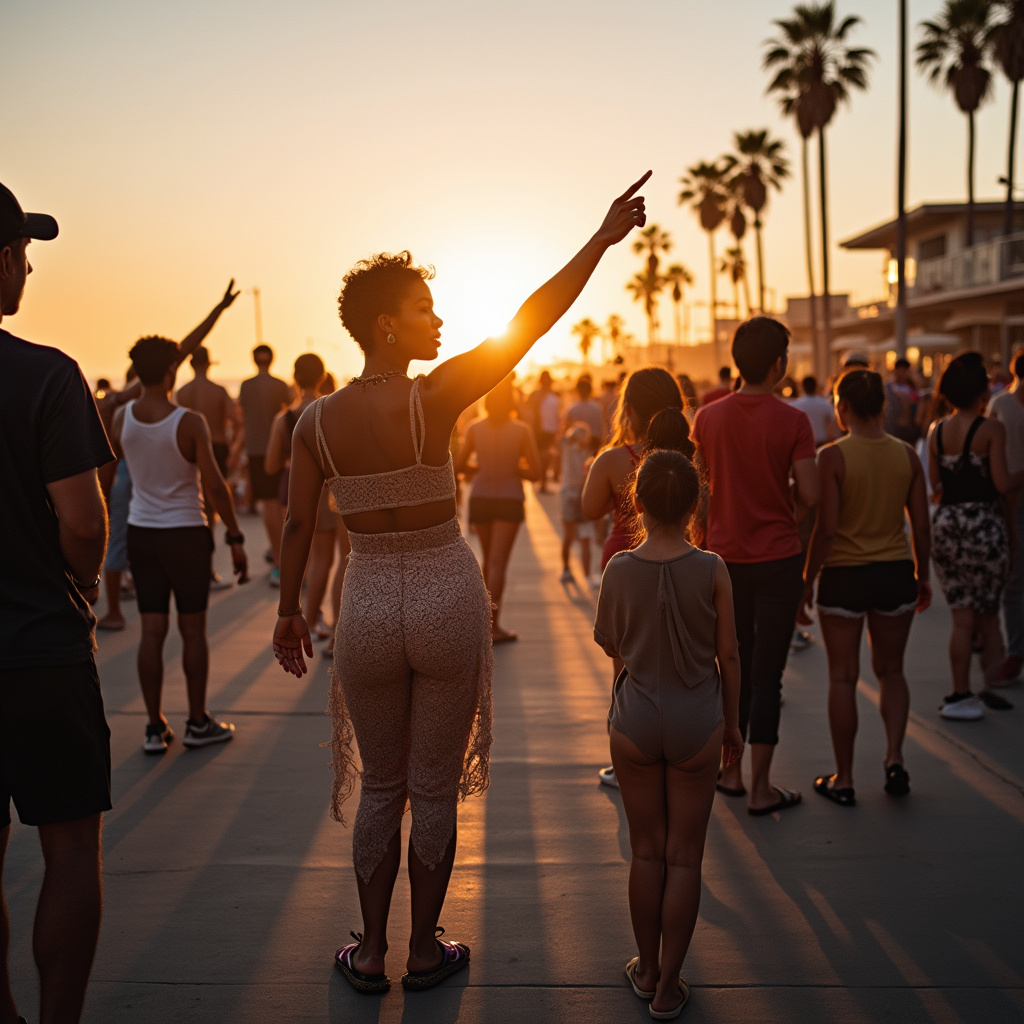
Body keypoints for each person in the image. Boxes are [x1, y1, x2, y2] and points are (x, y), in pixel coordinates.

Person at [271, 171, 650, 994]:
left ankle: (369, 953)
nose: (437, 319)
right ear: (385, 323)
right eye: (422, 308)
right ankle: (422, 952)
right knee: (433, 786)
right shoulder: (434, 397)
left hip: (366, 602)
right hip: (445, 594)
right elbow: (531, 322)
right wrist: (599, 240)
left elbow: (299, 526)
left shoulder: (314, 423)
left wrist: (289, 613)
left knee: (383, 785)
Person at [0, 182, 112, 1024]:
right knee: (70, 849)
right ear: (4, 261)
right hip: (40, 650)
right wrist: (85, 581)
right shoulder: (44, 375)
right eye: (24, 254)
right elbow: (83, 521)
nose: (30, 270)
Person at [594, 450, 742, 1020]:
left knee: (645, 851)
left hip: (634, 721)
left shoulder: (618, 569)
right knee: (684, 858)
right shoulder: (713, 568)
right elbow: (729, 655)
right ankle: (668, 988)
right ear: (694, 504)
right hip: (696, 721)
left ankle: (647, 968)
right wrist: (732, 724)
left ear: (637, 500)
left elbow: (613, 644)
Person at [692, 317, 818, 815]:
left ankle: (731, 774)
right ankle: (763, 787)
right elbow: (810, 493)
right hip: (780, 558)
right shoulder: (793, 422)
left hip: (725, 560)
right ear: (778, 365)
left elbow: (701, 491)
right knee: (769, 674)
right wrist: (785, 514)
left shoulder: (708, 418)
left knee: (732, 667)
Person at [799, 369, 932, 805]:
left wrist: (807, 580)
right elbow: (921, 526)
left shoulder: (832, 457)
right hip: (895, 573)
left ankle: (844, 779)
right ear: (883, 407)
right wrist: (923, 575)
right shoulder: (906, 455)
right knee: (892, 671)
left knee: (843, 677)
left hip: (845, 576)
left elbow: (827, 530)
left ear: (843, 408)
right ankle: (895, 759)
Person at [111, 336, 250, 753]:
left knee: (151, 631)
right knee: (193, 631)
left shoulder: (121, 418)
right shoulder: (189, 422)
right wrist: (235, 536)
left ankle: (154, 728)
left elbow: (107, 476)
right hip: (186, 535)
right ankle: (197, 722)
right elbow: (215, 486)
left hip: (142, 534)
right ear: (172, 371)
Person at [581, 366, 697, 788]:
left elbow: (589, 508)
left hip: (625, 563)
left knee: (625, 669)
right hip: (681, 561)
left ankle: (626, 760)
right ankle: (682, 748)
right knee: (680, 662)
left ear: (627, 410)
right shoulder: (689, 455)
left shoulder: (614, 460)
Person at [927, 352, 1022, 720]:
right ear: (983, 393)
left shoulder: (935, 431)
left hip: (947, 526)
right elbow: (1002, 483)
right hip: (983, 526)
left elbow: (936, 484)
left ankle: (960, 692)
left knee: (961, 619)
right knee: (987, 614)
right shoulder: (991, 430)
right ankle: (992, 684)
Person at [455, 375, 541, 642]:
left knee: (487, 562)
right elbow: (536, 473)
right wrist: (513, 468)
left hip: (480, 497)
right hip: (509, 497)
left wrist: (481, 467)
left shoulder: (474, 428)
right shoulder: (521, 431)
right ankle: (493, 627)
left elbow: (458, 466)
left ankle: (484, 624)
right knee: (497, 563)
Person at [264, 353, 335, 639]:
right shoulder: (329, 411)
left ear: (294, 378)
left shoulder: (284, 418)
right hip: (324, 493)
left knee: (300, 556)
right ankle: (313, 617)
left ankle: (296, 612)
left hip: (292, 492)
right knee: (322, 560)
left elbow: (270, 466)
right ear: (322, 377)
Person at [177, 345, 242, 590]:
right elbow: (237, 421)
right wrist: (235, 449)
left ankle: (192, 567)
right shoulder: (219, 390)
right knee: (211, 508)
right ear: (208, 364)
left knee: (191, 505)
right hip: (216, 446)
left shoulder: (182, 392)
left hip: (187, 449)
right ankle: (206, 569)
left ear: (191, 364)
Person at [238, 344, 292, 584]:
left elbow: (242, 421)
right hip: (278, 449)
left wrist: (236, 449)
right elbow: (289, 414)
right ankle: (286, 556)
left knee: (268, 506)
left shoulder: (245, 386)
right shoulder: (280, 385)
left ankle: (278, 561)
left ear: (254, 360)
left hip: (255, 450)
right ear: (272, 359)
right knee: (283, 506)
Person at [986, 347, 1024, 684]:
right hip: (1007, 498)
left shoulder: (999, 404)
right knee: (1013, 580)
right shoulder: (1000, 405)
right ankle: (1015, 650)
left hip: (1008, 495)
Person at [559, 423, 594, 584]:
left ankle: (587, 575)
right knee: (569, 536)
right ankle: (566, 569)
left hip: (583, 495)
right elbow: (564, 440)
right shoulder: (568, 448)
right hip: (568, 495)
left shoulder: (590, 452)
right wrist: (573, 435)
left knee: (586, 538)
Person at [528, 370, 561, 492]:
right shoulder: (537, 395)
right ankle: (542, 483)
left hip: (550, 431)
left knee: (547, 458)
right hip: (541, 431)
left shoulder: (552, 395)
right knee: (544, 457)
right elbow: (532, 413)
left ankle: (543, 483)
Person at [791, 375, 837, 448]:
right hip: (822, 444)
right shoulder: (826, 404)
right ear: (816, 386)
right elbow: (830, 428)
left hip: (803, 444)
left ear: (802, 387)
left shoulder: (794, 405)